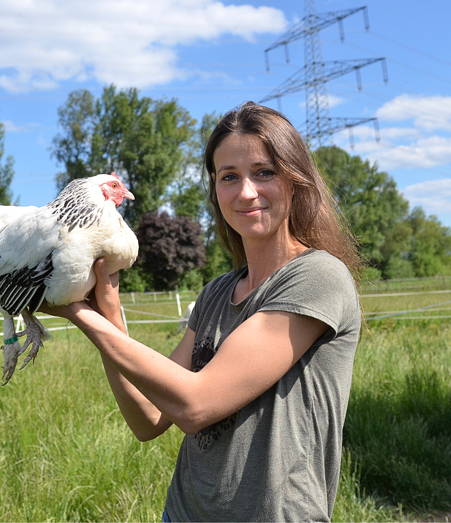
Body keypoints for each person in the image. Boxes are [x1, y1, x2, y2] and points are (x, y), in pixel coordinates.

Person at [41, 102, 362, 522]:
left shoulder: (317, 277)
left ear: (295, 179)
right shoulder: (217, 293)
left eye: (264, 172)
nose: (246, 192)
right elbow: (150, 419)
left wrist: (77, 315)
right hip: (183, 513)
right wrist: (107, 312)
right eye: (229, 177)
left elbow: (196, 405)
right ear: (216, 189)